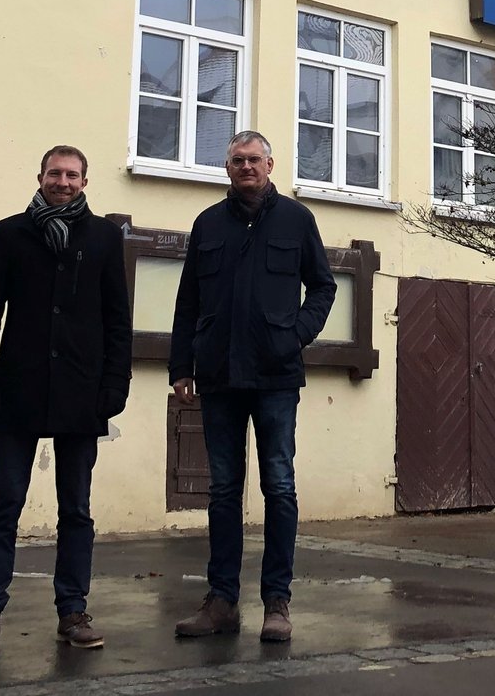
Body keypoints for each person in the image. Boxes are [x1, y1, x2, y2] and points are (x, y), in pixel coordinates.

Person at [0, 145, 133, 654]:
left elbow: (117, 319)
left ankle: (73, 611)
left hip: (82, 391)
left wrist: (114, 384)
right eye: (55, 173)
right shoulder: (11, 232)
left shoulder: (103, 236)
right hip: (18, 388)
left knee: (76, 508)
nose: (63, 181)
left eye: (72, 175)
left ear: (85, 182)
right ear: (40, 177)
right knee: (5, 503)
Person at [169, 131, 336, 643]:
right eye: (237, 161)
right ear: (227, 169)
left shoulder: (296, 219)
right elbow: (188, 299)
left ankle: (276, 603)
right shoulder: (207, 224)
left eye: (254, 160)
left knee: (279, 488)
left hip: (276, 378)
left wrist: (295, 336)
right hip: (218, 376)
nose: (246, 167)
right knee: (223, 491)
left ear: (270, 164)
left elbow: (324, 286)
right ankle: (221, 602)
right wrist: (181, 366)